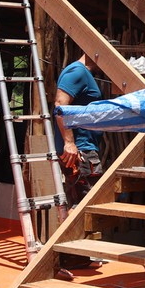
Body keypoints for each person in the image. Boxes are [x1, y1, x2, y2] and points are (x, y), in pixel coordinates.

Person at [53, 52, 104, 207]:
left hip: (82, 149)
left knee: (80, 205)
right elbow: (60, 104)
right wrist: (69, 143)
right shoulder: (78, 72)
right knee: (89, 206)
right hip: (80, 151)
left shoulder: (82, 73)